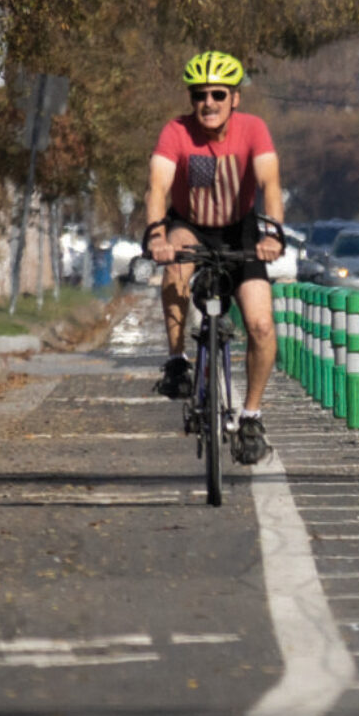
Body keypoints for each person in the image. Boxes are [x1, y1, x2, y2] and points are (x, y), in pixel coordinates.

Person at [143, 50, 284, 464]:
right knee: (175, 269)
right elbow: (158, 187)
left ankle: (251, 417)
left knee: (261, 325)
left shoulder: (253, 129)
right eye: (199, 95)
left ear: (234, 98)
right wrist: (157, 236)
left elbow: (270, 183)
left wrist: (273, 234)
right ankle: (176, 362)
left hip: (240, 230)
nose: (208, 103)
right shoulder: (176, 132)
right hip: (191, 225)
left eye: (218, 94)